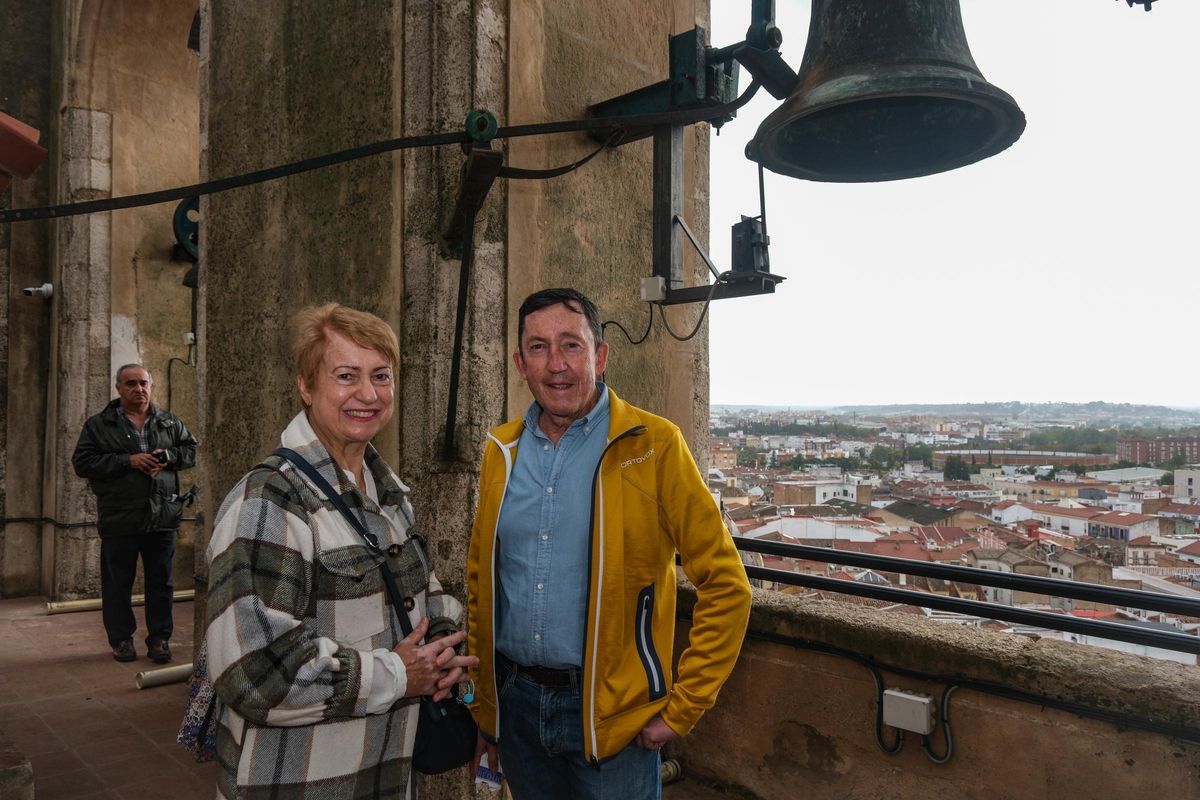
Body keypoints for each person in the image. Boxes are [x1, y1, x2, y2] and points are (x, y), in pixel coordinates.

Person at [466, 288, 752, 799]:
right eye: (538, 347)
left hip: (612, 721)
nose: (556, 364)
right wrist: (487, 709)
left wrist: (684, 707)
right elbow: (480, 585)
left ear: (599, 356)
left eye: (571, 345)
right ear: (520, 363)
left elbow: (728, 587)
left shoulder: (655, 446)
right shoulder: (500, 452)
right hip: (516, 708)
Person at [205, 303, 476, 800]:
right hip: (299, 783)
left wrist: (442, 648)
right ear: (306, 386)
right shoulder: (270, 500)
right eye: (346, 376)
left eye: (381, 376)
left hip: (383, 777)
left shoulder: (388, 495)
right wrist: (398, 674)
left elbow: (425, 596)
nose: (368, 394)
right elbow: (255, 672)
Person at [72, 364, 197, 664]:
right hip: (120, 518)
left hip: (161, 517)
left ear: (151, 386)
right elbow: (82, 462)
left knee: (161, 584)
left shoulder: (168, 422)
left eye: (143, 383)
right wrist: (127, 460)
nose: (138, 389)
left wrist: (168, 456)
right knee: (118, 584)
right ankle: (122, 640)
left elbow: (191, 451)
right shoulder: (99, 425)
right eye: (130, 383)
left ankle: (160, 640)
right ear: (118, 388)